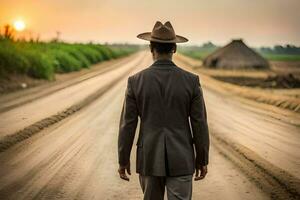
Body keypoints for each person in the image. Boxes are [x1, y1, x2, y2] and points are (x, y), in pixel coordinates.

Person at [118, 21, 210, 200]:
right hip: (182, 158)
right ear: (174, 49)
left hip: (149, 158)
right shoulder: (191, 81)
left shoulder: (135, 81)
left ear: (151, 48)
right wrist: (202, 159)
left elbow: (127, 125)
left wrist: (123, 159)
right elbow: (200, 124)